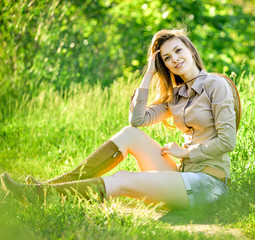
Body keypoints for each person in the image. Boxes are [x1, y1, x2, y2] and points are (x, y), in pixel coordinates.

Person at [1, 29, 240, 209]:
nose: (174, 59)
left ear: (190, 50)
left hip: (209, 184)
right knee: (130, 133)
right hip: (181, 176)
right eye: (166, 58)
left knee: (121, 179)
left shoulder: (215, 85)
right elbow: (138, 120)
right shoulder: (176, 96)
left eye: (178, 51)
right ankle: (51, 186)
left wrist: (185, 153)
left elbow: (228, 142)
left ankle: (41, 197)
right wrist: (149, 72)